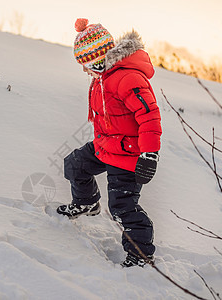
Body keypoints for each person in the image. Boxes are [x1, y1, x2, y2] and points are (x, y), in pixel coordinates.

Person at [57, 18, 162, 268]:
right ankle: (87, 203)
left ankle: (141, 255)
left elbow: (150, 116)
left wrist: (149, 154)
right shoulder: (102, 77)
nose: (85, 70)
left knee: (122, 207)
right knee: (74, 165)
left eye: (86, 64)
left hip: (129, 155)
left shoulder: (127, 78)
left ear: (97, 59)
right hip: (106, 147)